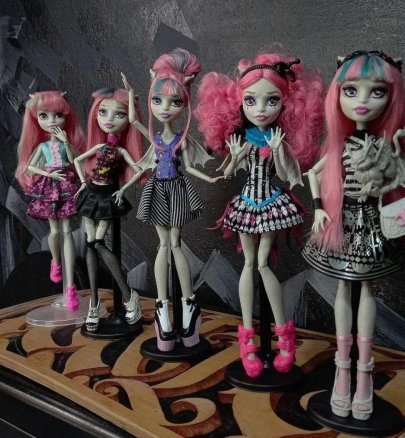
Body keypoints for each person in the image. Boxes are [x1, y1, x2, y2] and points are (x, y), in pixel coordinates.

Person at [302, 51, 405, 420]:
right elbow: (312, 174)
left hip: (373, 224)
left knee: (367, 289)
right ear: (337, 95)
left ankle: (364, 371)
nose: (363, 101)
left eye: (377, 92)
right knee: (344, 287)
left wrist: (389, 175)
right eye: (351, 90)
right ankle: (342, 369)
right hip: (342, 223)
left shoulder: (386, 144)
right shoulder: (339, 146)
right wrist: (319, 206)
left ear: (391, 98)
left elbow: (404, 178)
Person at [195, 51, 324, 377]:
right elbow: (227, 172)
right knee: (249, 264)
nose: (261, 109)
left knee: (263, 263)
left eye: (272, 100)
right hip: (246, 203)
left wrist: (278, 149)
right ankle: (248, 339)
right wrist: (235, 155)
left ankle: (284, 338)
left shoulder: (276, 138)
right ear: (238, 103)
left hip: (269, 201)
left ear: (286, 104)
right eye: (251, 101)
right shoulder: (243, 137)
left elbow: (285, 174)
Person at [121, 48, 224, 351]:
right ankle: (162, 306)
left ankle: (188, 303)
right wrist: (131, 93)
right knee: (163, 245)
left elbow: (190, 167)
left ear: (185, 103)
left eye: (175, 101)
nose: (165, 108)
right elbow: (133, 120)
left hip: (176, 189)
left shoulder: (181, 140)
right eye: (158, 100)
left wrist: (210, 178)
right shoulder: (154, 139)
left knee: (176, 243)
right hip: (158, 189)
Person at [74, 88, 144, 331]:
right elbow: (78, 160)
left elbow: (139, 170)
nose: (109, 119)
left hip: (107, 197)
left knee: (97, 243)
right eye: (103, 112)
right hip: (92, 193)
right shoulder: (99, 147)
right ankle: (94, 303)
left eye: (119, 114)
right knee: (90, 244)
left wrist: (123, 190)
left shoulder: (121, 151)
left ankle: (128, 295)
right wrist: (82, 183)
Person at [16, 91, 85, 310]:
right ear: (36, 119)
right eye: (44, 116)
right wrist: (48, 173)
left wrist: (66, 142)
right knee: (55, 232)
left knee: (67, 231)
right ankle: (56, 261)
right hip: (49, 185)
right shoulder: (42, 147)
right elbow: (29, 166)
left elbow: (74, 160)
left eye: (58, 115)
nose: (52, 121)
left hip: (66, 183)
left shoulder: (65, 143)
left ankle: (71, 287)